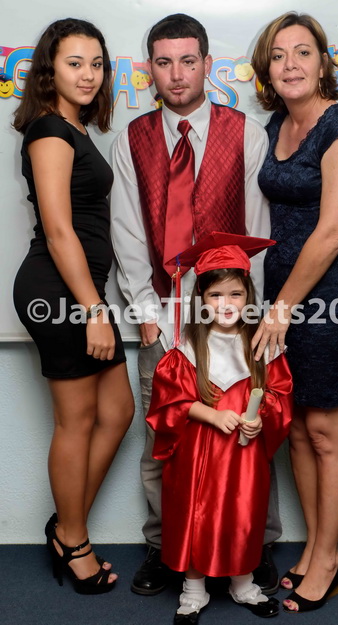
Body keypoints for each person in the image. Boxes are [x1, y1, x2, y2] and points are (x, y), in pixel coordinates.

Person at [111, 13, 281, 596]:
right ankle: (166, 549)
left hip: (233, 319)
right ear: (149, 69)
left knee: (250, 433)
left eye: (188, 61)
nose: (177, 74)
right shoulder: (132, 139)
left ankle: (256, 545)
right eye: (164, 62)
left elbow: (258, 231)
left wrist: (250, 316)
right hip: (164, 320)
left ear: (207, 64)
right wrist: (146, 316)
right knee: (164, 440)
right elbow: (127, 232)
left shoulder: (246, 133)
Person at [251, 11, 338, 612]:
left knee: (328, 434)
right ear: (267, 69)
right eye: (279, 55)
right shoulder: (276, 124)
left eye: (303, 52)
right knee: (298, 432)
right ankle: (311, 548)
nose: (291, 64)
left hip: (332, 302)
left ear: (323, 61)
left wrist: (280, 310)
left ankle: (329, 558)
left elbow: (330, 233)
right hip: (282, 304)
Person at [13, 18, 134, 594]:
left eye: (97, 64)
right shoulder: (48, 131)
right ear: (49, 70)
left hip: (79, 291)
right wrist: (93, 310)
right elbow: (59, 231)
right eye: (74, 63)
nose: (88, 75)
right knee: (78, 420)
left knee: (118, 412)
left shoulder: (74, 127)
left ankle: (66, 528)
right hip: (59, 292)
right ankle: (75, 543)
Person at [146, 232, 293, 624]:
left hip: (244, 458)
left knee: (243, 515)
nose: (226, 304)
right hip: (197, 455)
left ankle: (242, 583)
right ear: (200, 298)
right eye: (215, 295)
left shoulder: (262, 345)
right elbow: (169, 402)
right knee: (195, 514)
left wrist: (261, 417)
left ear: (249, 296)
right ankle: (193, 590)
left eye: (235, 294)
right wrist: (212, 415)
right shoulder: (187, 347)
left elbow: (279, 393)